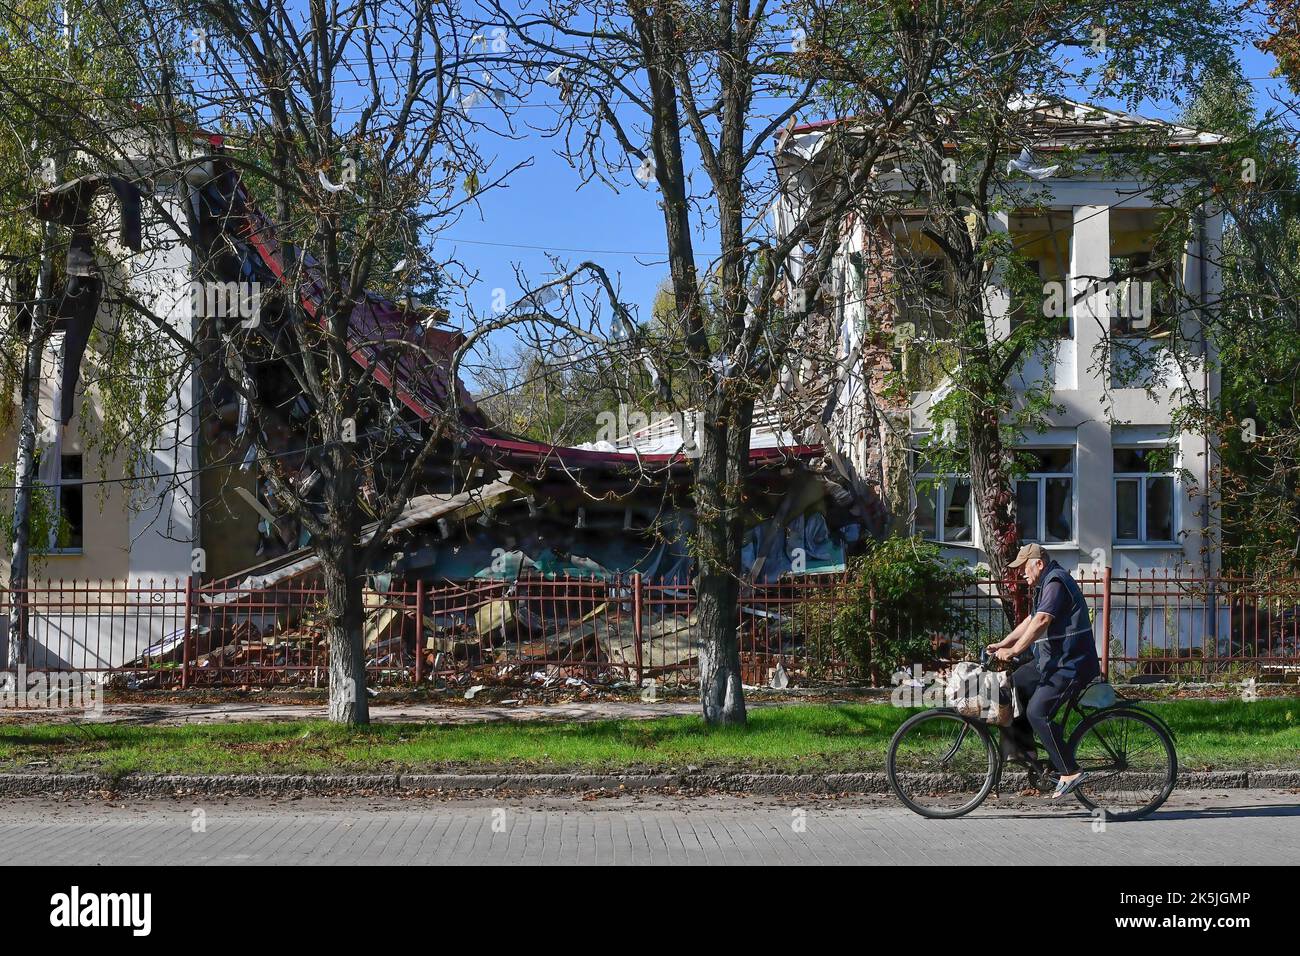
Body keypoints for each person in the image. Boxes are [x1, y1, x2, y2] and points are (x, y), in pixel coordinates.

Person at [984, 543, 1101, 798]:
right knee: (1014, 685)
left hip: (1072, 664)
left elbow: (1042, 620)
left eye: (1023, 568)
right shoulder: (1044, 584)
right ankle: (1027, 751)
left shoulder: (1056, 582)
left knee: (1038, 712)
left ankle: (1070, 771)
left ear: (1039, 562)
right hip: (1051, 661)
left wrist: (1014, 652)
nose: (1021, 574)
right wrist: (1004, 643)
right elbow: (1030, 619)